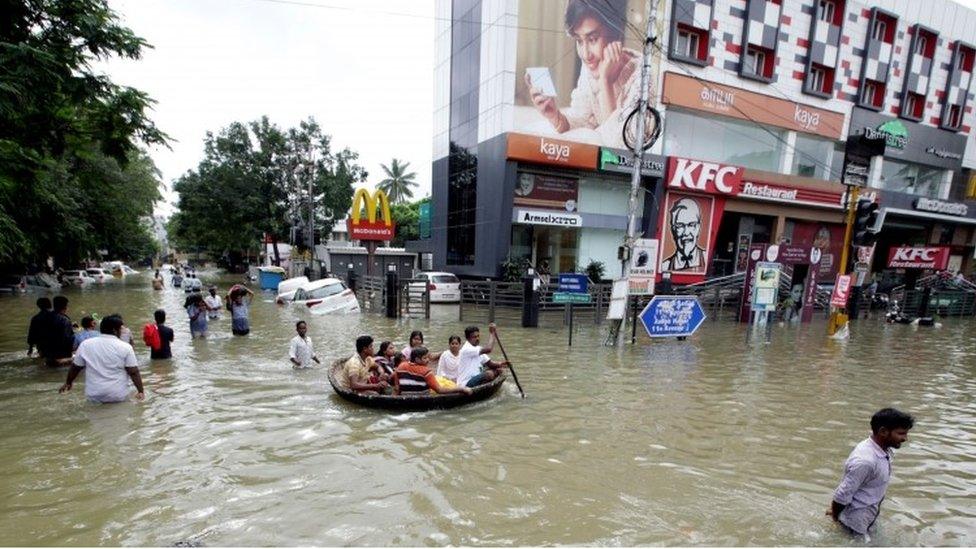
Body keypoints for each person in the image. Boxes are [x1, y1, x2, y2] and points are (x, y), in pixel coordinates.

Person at [523, 0, 642, 147]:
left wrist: (605, 82)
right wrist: (555, 116)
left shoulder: (642, 76)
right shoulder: (591, 67)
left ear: (616, 34)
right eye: (579, 41)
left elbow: (617, 149)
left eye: (592, 39)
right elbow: (581, 119)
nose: (585, 55)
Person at [828, 408, 915, 538]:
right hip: (855, 524)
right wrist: (835, 517)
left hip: (868, 516)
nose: (905, 438)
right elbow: (842, 494)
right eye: (901, 433)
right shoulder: (866, 461)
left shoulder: (882, 449)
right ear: (883, 432)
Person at [58, 314, 145, 403]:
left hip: (94, 395)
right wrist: (141, 391)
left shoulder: (85, 344)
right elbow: (133, 372)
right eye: (120, 329)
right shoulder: (125, 347)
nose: (122, 331)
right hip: (118, 395)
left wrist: (68, 383)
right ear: (115, 330)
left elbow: (75, 367)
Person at [395, 347, 472, 396]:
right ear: (417, 359)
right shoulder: (426, 371)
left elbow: (397, 388)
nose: (428, 360)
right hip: (422, 398)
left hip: (405, 396)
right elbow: (440, 390)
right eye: (425, 358)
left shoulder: (401, 366)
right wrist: (461, 389)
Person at [457, 323, 509, 388]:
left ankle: (485, 387)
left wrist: (502, 364)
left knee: (499, 369)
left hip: (476, 379)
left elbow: (490, 364)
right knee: (489, 374)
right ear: (468, 338)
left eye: (478, 336)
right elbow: (489, 349)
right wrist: (492, 333)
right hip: (466, 383)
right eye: (474, 337)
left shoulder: (478, 349)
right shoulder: (466, 349)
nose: (477, 338)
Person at [661, 198, 706, 272]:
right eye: (680, 225)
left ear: (698, 228)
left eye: (691, 225)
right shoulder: (665, 266)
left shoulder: (706, 257)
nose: (686, 233)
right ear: (673, 230)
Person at [46, 296, 74, 367]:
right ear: (65, 306)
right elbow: (67, 338)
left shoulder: (46, 316)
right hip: (62, 354)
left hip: (48, 352)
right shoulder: (65, 320)